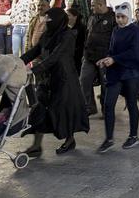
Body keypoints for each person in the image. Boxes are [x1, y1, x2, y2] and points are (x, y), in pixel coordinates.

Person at [20, 8, 89, 157]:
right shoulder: (48, 35)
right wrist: (18, 62)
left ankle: (70, 140)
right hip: (47, 78)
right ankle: (36, 146)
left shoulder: (68, 35)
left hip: (64, 79)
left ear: (57, 21)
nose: (46, 22)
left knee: (63, 110)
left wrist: (34, 70)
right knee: (39, 109)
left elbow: (55, 57)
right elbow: (35, 51)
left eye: (49, 20)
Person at [96, 2, 139, 153]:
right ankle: (109, 138)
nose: (120, 20)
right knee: (108, 104)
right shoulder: (115, 30)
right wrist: (105, 59)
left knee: (131, 104)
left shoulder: (135, 30)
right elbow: (112, 50)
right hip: (116, 72)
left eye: (123, 17)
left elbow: (134, 52)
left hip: (131, 73)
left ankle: (133, 136)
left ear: (129, 16)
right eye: (117, 17)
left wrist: (114, 59)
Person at [80, 0, 116, 116]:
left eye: (93, 5)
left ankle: (106, 109)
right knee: (84, 80)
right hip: (89, 56)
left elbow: (116, 39)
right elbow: (87, 34)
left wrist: (112, 57)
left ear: (101, 5)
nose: (91, 7)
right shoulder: (91, 17)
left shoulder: (113, 18)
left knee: (105, 85)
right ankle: (89, 106)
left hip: (105, 57)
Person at [66, 7, 87, 73]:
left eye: (68, 15)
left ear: (75, 17)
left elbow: (83, 42)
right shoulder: (65, 28)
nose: (66, 17)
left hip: (78, 57)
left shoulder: (82, 28)